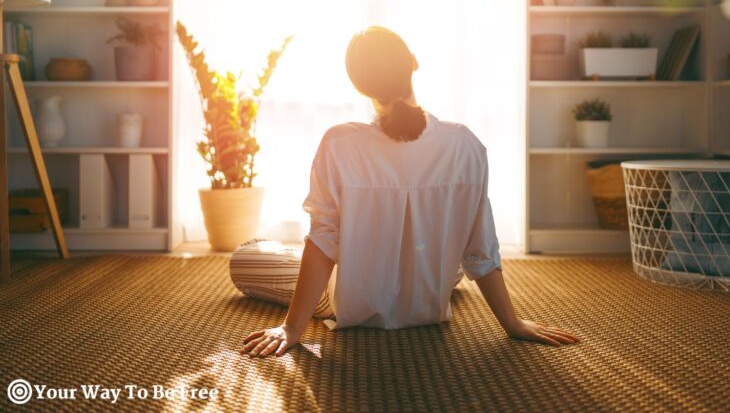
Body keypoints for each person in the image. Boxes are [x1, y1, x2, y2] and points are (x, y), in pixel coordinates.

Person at [234, 27, 580, 358]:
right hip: (429, 297)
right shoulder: (465, 145)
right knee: (446, 261)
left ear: (358, 85)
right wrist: (512, 323)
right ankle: (413, 275)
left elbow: (324, 241)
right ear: (412, 61)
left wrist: (292, 328)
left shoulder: (340, 143)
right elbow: (479, 250)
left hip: (351, 303)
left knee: (244, 258)